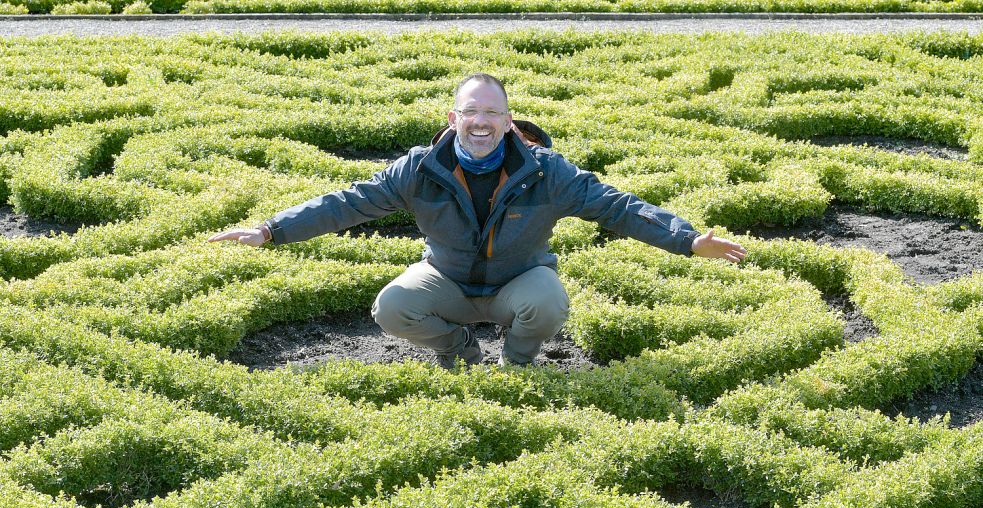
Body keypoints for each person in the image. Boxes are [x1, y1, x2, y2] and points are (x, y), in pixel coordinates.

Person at [208, 73, 747, 369]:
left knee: (548, 301)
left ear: (508, 121)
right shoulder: (421, 169)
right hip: (448, 281)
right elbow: (348, 202)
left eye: (492, 113)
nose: (481, 122)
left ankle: (518, 365)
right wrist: (271, 229)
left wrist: (686, 240)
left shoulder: (547, 172)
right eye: (472, 112)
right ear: (454, 118)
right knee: (392, 306)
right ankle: (459, 350)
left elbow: (617, 206)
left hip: (518, 283)